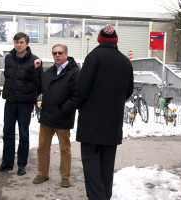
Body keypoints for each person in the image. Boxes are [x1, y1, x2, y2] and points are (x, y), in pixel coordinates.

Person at [76, 24, 134, 199]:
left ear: (99, 40)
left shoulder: (93, 57)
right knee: (107, 166)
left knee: (91, 165)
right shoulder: (125, 61)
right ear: (116, 40)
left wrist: (81, 106)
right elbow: (129, 90)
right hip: (113, 122)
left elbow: (82, 88)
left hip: (91, 124)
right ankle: (105, 196)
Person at [0, 32, 43, 176]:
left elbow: (40, 84)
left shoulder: (35, 60)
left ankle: (22, 165)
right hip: (10, 102)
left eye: (21, 42)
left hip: (25, 104)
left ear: (26, 44)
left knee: (23, 134)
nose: (18, 45)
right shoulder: (9, 58)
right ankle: (7, 163)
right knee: (7, 133)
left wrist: (37, 69)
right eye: (16, 42)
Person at [32, 44, 79, 187]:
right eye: (54, 53)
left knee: (65, 149)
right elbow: (39, 86)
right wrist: (37, 70)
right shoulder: (50, 72)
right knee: (42, 148)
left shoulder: (75, 72)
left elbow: (76, 96)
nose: (57, 55)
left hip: (63, 117)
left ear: (66, 54)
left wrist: (64, 109)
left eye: (59, 53)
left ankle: (65, 177)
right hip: (47, 115)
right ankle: (42, 174)